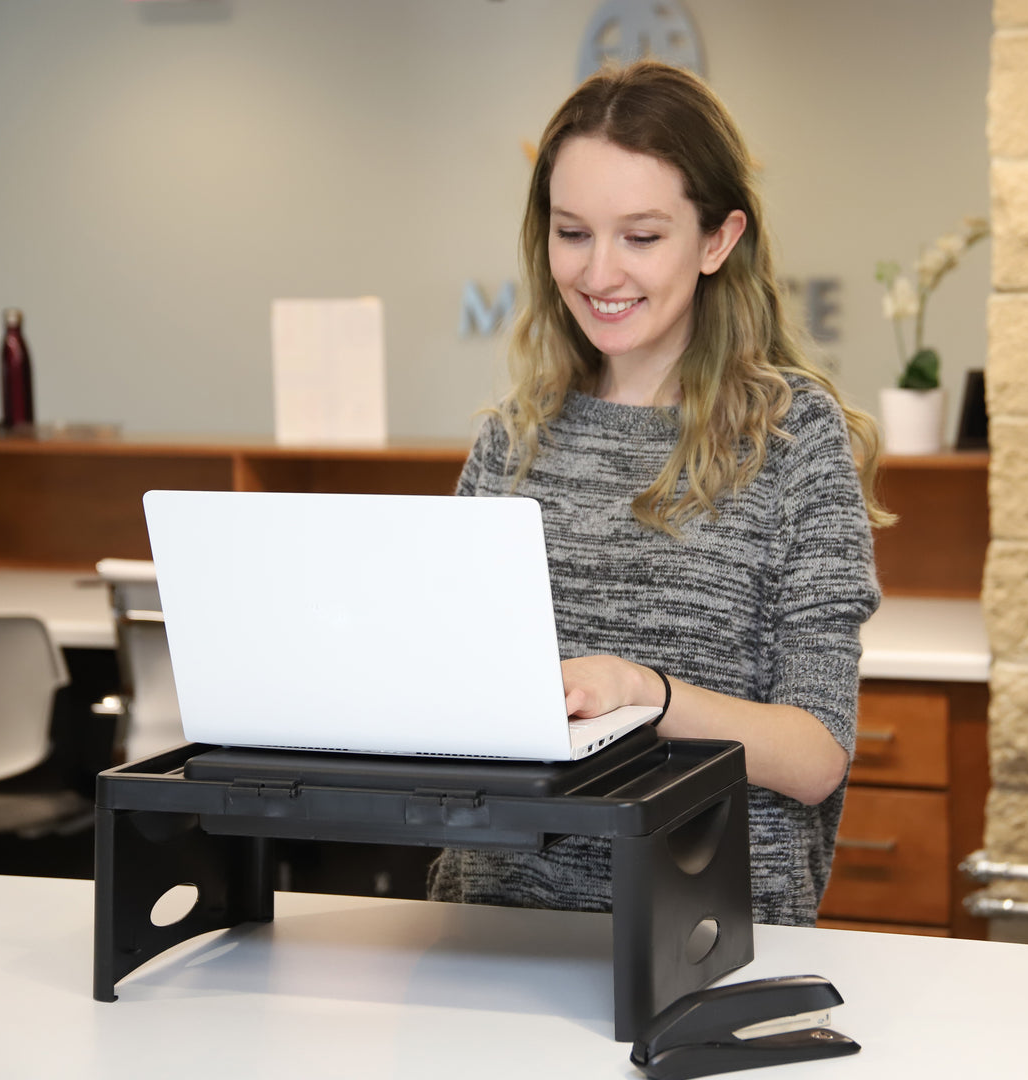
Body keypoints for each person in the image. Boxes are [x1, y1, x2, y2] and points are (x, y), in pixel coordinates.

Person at [427, 60, 888, 926]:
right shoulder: (512, 439)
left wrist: (646, 690)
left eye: (642, 236)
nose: (600, 273)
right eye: (573, 233)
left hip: (700, 941)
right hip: (489, 929)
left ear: (718, 241)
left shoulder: (793, 440)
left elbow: (817, 754)